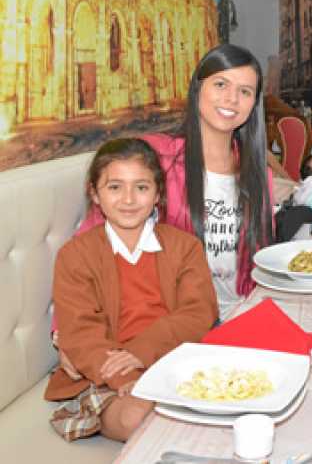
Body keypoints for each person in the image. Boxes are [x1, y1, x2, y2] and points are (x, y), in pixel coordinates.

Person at [77, 44, 275, 320]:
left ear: (254, 104)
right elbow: (90, 243)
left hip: (239, 315)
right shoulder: (157, 157)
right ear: (198, 89)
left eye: (245, 91)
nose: (232, 99)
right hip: (173, 323)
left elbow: (260, 262)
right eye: (221, 84)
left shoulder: (257, 173)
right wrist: (67, 330)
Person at [45, 138, 218, 442]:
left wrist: (140, 354)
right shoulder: (75, 255)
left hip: (173, 357)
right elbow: (79, 330)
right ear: (94, 194)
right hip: (107, 374)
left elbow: (199, 312)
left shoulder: (185, 247)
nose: (128, 199)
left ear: (158, 194)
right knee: (139, 417)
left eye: (141, 187)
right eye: (114, 187)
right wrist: (124, 376)